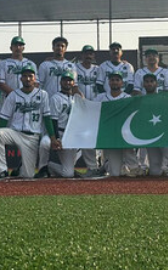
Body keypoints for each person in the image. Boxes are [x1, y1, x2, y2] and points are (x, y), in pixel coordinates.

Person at [0, 65, 57, 178]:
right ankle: (2, 170)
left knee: (28, 175)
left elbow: (47, 117)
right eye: (25, 76)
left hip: (32, 137)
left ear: (34, 78)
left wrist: (53, 137)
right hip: (15, 133)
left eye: (30, 76)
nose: (27, 79)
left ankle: (21, 167)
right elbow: (4, 117)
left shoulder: (43, 94)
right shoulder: (13, 95)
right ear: (20, 79)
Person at [96, 71, 141, 177]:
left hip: (125, 134)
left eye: (117, 80)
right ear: (108, 82)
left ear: (122, 83)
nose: (114, 82)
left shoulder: (128, 98)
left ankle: (134, 167)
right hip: (110, 136)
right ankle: (107, 165)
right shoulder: (100, 97)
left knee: (133, 167)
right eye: (112, 80)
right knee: (115, 174)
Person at [142, 72, 168, 177]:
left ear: (156, 84)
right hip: (149, 137)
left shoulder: (163, 98)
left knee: (162, 139)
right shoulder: (140, 100)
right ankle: (164, 167)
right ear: (143, 84)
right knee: (155, 172)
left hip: (163, 136)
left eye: (151, 81)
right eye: (146, 82)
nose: (149, 84)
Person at [75, 45, 102, 177]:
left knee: (97, 136)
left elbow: (103, 86)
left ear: (94, 56)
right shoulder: (74, 68)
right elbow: (73, 86)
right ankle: (92, 166)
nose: (88, 56)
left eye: (91, 53)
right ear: (82, 55)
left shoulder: (99, 69)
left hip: (95, 107)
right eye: (86, 53)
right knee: (85, 136)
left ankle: (100, 164)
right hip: (80, 107)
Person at [46, 71, 79, 178]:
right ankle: (49, 166)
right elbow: (53, 120)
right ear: (60, 82)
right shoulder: (55, 98)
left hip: (75, 135)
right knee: (68, 174)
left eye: (70, 80)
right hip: (62, 133)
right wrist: (56, 138)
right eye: (65, 80)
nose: (67, 82)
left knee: (90, 143)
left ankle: (94, 168)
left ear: (73, 83)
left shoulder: (76, 99)